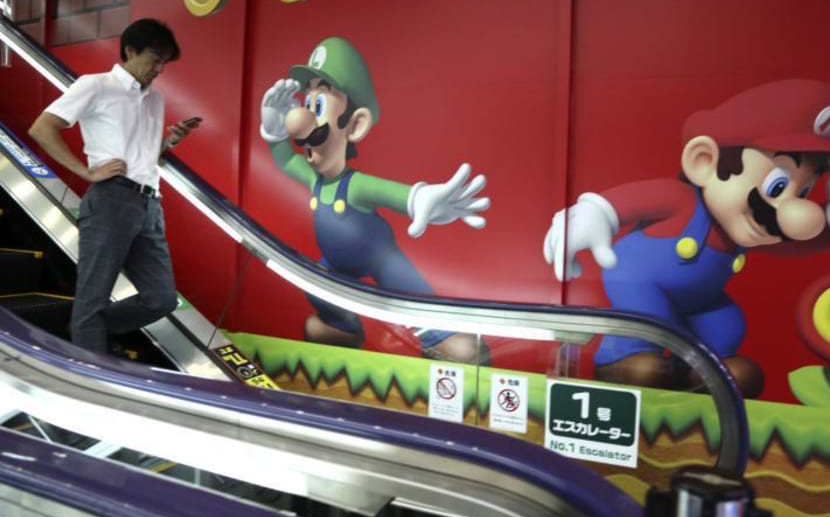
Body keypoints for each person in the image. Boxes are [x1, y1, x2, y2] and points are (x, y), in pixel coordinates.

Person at [543, 79, 830, 397]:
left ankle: (690, 375)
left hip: (699, 298)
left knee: (727, 332)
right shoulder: (682, 200)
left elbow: (799, 240)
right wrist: (596, 213)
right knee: (651, 330)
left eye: (803, 190)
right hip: (639, 282)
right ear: (705, 162)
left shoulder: (741, 228)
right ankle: (619, 361)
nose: (794, 207)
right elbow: (630, 200)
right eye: (778, 186)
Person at [260, 37, 491, 363]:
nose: (304, 119)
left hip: (381, 259)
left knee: (420, 303)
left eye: (319, 106)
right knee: (311, 278)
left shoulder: (354, 186)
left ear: (355, 125)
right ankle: (341, 326)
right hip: (336, 266)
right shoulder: (315, 180)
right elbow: (285, 161)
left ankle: (446, 339)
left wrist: (420, 198)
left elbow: (393, 192)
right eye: (306, 103)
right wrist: (273, 131)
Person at [28, 18, 201, 355]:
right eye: (154, 58)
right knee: (92, 296)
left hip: (150, 203)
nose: (159, 68)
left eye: (164, 61)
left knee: (161, 298)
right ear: (130, 50)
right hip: (110, 199)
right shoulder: (95, 85)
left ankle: (88, 330)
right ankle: (92, 370)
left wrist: (169, 141)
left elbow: (144, 156)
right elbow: (42, 127)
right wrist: (85, 171)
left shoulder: (156, 99)